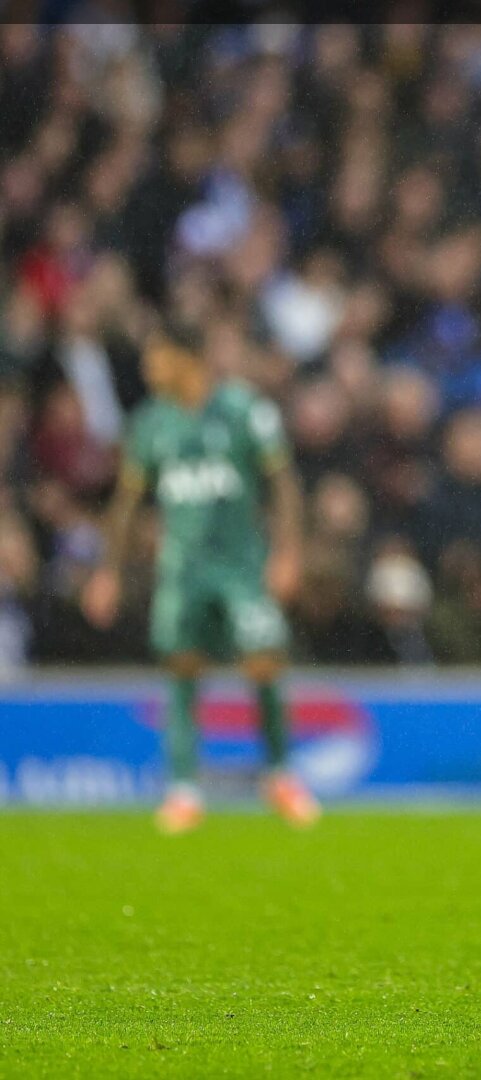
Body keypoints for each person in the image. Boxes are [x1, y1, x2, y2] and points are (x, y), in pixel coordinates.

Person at [81, 317, 319, 834]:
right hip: (182, 570)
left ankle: (280, 775)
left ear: (186, 357)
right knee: (183, 667)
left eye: (157, 356)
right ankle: (184, 789)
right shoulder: (150, 422)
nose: (148, 368)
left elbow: (283, 483)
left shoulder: (243, 409)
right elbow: (126, 503)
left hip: (242, 566)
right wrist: (108, 572)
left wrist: (288, 554)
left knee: (263, 661)